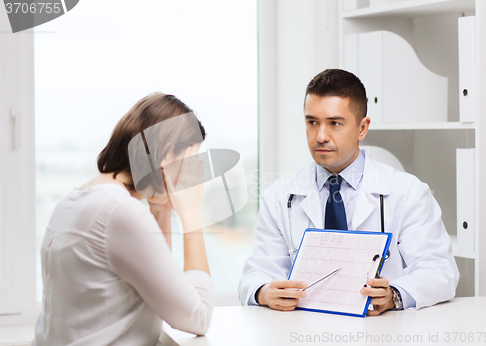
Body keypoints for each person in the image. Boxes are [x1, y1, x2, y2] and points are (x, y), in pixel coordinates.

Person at [239, 69, 459, 315]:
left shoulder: (408, 192)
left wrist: (393, 296)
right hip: (304, 332)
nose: (320, 136)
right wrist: (264, 291)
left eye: (334, 123)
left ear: (362, 128)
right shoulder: (279, 197)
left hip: (381, 335)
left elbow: (440, 270)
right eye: (312, 122)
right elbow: (255, 274)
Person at [32, 93, 213, 345]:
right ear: (165, 155)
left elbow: (159, 288)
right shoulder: (119, 211)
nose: (192, 174)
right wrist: (192, 215)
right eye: (190, 161)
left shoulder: (79, 199)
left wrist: (161, 209)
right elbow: (198, 317)